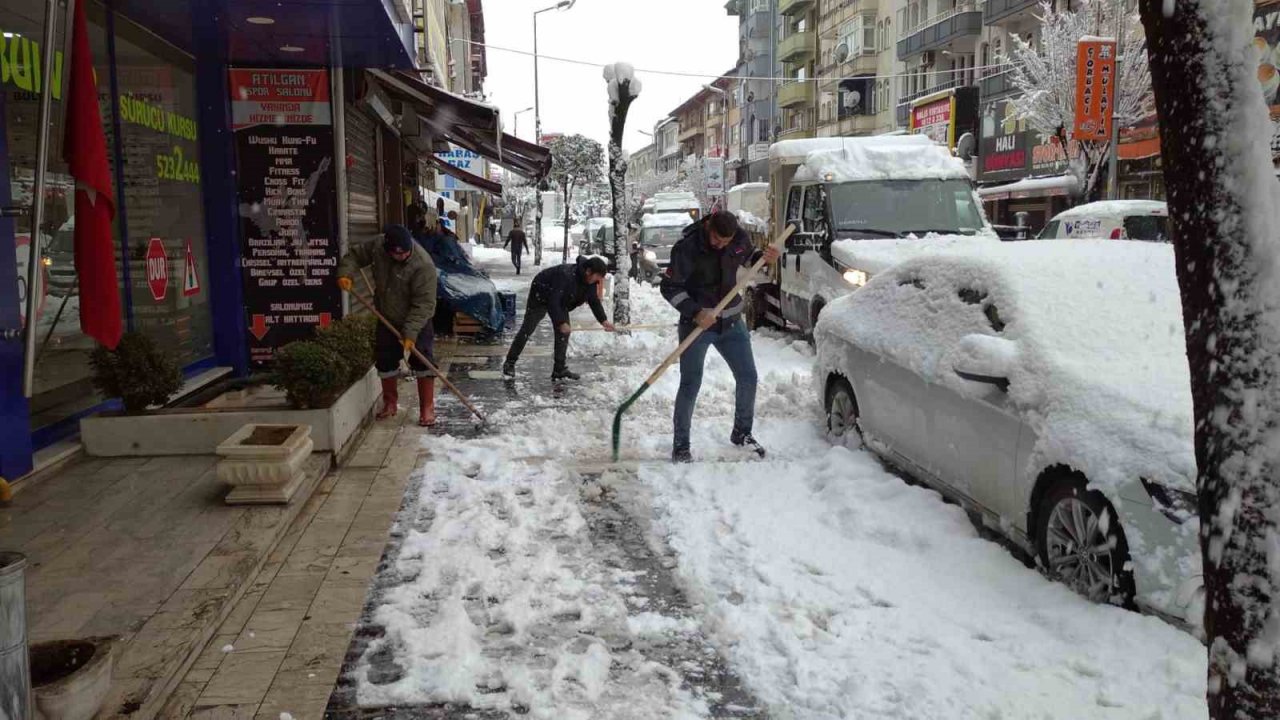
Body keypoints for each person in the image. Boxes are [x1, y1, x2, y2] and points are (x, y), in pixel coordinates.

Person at [660, 211, 780, 463]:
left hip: (732, 323)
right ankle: (681, 446)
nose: (720, 245)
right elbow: (669, 287)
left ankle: (742, 433)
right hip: (697, 326)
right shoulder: (687, 248)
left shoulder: (737, 237)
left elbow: (750, 258)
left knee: (748, 377)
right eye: (716, 239)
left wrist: (765, 258)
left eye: (726, 241)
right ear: (707, 226)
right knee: (690, 384)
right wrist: (695, 312)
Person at [337, 224, 440, 427]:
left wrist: (410, 334)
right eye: (396, 254)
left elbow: (424, 304)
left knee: (424, 360)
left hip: (418, 319)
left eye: (405, 254)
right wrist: (345, 273)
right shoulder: (377, 246)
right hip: (386, 315)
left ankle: (427, 408)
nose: (401, 257)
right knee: (385, 358)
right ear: (387, 248)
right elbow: (355, 256)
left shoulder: (423, 265)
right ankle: (390, 404)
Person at [503, 255, 615, 380]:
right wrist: (561, 322)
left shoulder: (591, 282)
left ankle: (559, 369)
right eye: (597, 277)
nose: (598, 280)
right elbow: (553, 301)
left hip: (561, 300)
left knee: (564, 333)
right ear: (588, 271)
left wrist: (603, 321)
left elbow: (594, 301)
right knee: (528, 328)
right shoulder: (566, 276)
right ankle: (509, 363)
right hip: (541, 292)